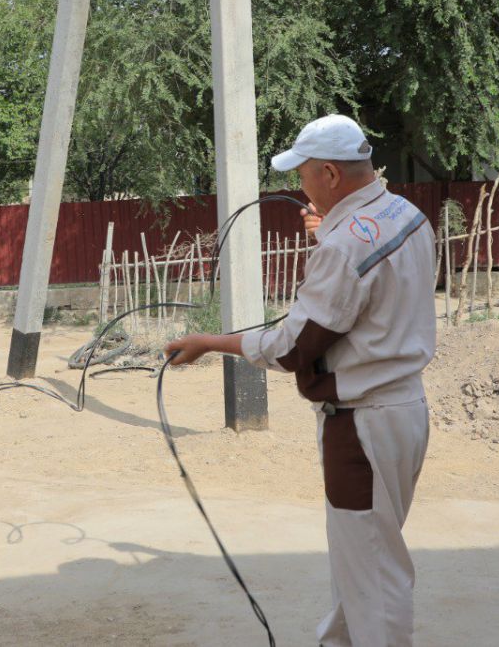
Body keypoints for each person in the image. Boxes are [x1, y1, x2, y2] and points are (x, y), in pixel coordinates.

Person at [165, 114, 435, 646]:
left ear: (331, 174)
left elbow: (291, 347)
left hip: (361, 426)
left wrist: (210, 342)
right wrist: (330, 231)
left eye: (306, 174)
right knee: (364, 564)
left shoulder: (342, 248)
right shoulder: (406, 214)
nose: (300, 187)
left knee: (374, 576)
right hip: (403, 410)